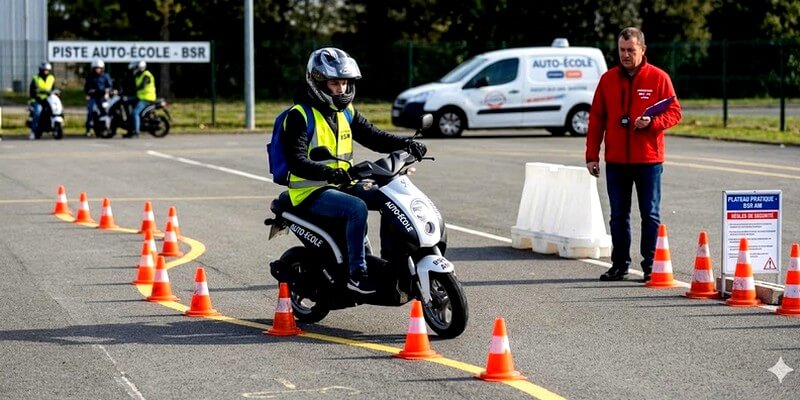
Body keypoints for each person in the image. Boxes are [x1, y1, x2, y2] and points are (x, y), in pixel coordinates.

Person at [281, 47, 427, 294]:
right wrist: (327, 173)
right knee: (356, 208)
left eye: (345, 84)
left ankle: (392, 262)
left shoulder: (345, 112)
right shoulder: (300, 116)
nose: (341, 89)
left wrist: (406, 143)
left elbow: (373, 136)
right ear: (317, 82)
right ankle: (356, 274)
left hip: (341, 184)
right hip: (310, 191)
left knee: (388, 196)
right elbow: (296, 161)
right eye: (335, 83)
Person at [585, 27, 682, 282]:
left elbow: (675, 112)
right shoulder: (607, 80)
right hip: (616, 160)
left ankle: (651, 265)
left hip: (648, 161)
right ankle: (619, 265)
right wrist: (591, 155)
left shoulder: (659, 78)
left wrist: (651, 122)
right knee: (618, 215)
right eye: (622, 50)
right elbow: (596, 119)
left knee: (650, 214)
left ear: (643, 50)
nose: (626, 55)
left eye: (631, 50)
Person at [84, 59, 113, 137]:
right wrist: (90, 92)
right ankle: (88, 128)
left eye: (99, 68)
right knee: (91, 111)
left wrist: (108, 91)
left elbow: (109, 86)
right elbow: (87, 88)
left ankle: (110, 126)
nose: (98, 70)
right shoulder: (90, 77)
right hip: (94, 97)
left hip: (103, 97)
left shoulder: (106, 76)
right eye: (96, 68)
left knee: (108, 110)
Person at [127, 60, 156, 138]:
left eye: (135, 68)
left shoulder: (146, 75)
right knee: (126, 101)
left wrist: (134, 89)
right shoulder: (139, 76)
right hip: (140, 97)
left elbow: (142, 86)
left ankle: (136, 132)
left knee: (135, 113)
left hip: (147, 98)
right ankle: (129, 128)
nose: (134, 70)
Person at [28, 62, 55, 140]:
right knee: (37, 112)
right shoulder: (36, 78)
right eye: (44, 70)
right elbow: (32, 90)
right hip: (38, 100)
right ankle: (33, 132)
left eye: (47, 70)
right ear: (40, 70)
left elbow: (53, 88)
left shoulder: (51, 78)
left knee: (55, 110)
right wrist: (36, 96)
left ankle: (54, 126)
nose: (45, 71)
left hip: (48, 99)